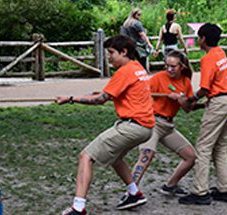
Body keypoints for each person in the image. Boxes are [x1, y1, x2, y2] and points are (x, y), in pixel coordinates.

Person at [59, 35, 155, 214]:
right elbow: (117, 92)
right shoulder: (137, 68)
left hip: (133, 126)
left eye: (111, 52)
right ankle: (134, 193)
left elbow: (100, 100)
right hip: (146, 128)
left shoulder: (125, 71)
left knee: (86, 156)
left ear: (124, 52)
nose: (109, 56)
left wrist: (71, 99)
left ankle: (78, 207)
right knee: (115, 157)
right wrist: (100, 93)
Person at [178, 23, 227, 205]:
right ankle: (225, 188)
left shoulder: (208, 58)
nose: (197, 40)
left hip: (218, 102)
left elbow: (204, 88)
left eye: (198, 37)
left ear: (203, 39)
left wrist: (191, 99)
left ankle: (200, 192)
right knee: (220, 146)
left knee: (203, 147)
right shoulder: (220, 52)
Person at [127, 50, 196, 199]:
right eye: (167, 65)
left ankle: (170, 186)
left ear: (182, 66)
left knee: (191, 156)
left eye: (173, 66)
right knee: (146, 155)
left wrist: (181, 100)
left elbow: (188, 109)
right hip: (153, 123)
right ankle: (131, 193)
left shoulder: (186, 82)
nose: (169, 69)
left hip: (168, 126)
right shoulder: (158, 78)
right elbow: (141, 93)